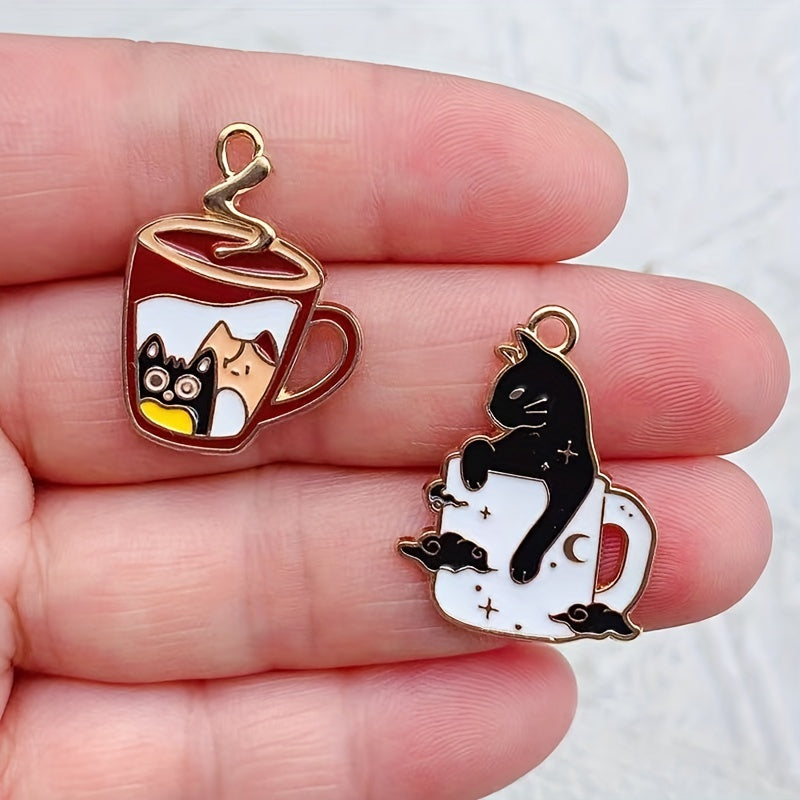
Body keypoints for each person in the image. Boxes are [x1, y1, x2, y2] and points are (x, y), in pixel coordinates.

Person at [0, 34, 788, 798]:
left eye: (515, 399)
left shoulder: (558, 446)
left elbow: (553, 476)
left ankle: (528, 582)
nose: (504, 410)